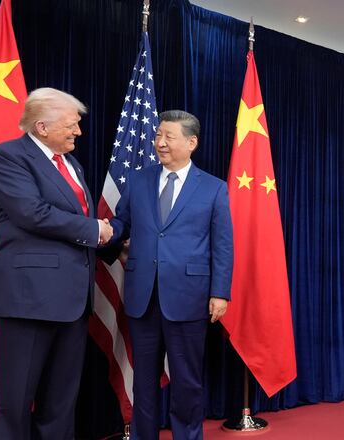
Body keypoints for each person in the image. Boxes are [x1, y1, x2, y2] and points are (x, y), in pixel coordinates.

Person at [0, 88, 113, 439]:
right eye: (72, 125)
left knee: (61, 401)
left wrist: (108, 241)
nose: (78, 132)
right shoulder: (9, 157)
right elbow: (32, 214)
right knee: (16, 399)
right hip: (28, 299)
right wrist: (95, 230)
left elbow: (73, 218)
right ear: (41, 126)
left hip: (72, 299)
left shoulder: (71, 162)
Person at [106, 110, 233, 440]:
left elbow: (222, 245)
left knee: (186, 381)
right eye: (158, 135)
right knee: (144, 382)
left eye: (169, 137)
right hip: (142, 297)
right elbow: (124, 223)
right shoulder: (138, 179)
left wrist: (220, 293)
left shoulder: (214, 189)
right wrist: (107, 233)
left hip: (188, 298)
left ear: (191, 142)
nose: (160, 143)